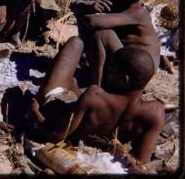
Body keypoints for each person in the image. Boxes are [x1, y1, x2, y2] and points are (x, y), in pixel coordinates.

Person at [31, 36, 164, 165]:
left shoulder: (94, 96)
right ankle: (73, 84)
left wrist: (36, 114)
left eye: (112, 70)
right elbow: (141, 161)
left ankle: (71, 82)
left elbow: (57, 136)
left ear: (124, 80)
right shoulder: (155, 113)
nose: (108, 73)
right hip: (92, 127)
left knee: (75, 44)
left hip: (57, 107)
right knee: (73, 83)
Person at [70, 0, 160, 86]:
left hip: (136, 74)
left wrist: (85, 9)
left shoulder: (138, 13)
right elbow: (74, 5)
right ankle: (97, 77)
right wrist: (89, 5)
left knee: (102, 33)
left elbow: (92, 22)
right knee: (85, 18)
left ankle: (97, 88)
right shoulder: (119, 3)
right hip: (123, 63)